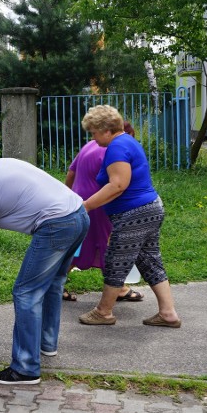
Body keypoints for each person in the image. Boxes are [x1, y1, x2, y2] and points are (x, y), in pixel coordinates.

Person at [0, 158, 90, 385]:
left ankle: (25, 368)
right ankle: (46, 344)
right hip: (79, 214)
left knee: (25, 293)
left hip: (56, 224)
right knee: (53, 284)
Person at [77, 105, 181, 328]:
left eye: (94, 132)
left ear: (106, 129)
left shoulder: (117, 146)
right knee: (149, 260)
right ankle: (168, 313)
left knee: (116, 261)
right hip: (148, 209)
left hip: (134, 213)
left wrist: (84, 206)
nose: (93, 138)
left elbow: (117, 185)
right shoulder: (127, 142)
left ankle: (103, 312)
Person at [62, 121, 143, 303]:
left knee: (79, 245)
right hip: (99, 203)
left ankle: (55, 284)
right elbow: (118, 183)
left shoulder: (90, 144)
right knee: (108, 245)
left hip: (79, 200)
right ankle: (120, 288)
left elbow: (71, 172)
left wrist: (68, 196)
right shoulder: (112, 151)